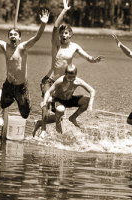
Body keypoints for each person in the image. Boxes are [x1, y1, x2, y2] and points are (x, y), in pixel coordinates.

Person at [39, 0, 104, 137]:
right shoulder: (56, 45)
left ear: (70, 35)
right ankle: (43, 129)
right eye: (62, 33)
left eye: (66, 33)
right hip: (50, 81)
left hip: (64, 83)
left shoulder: (75, 46)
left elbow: (88, 58)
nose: (63, 35)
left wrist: (94, 60)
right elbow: (56, 26)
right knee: (46, 103)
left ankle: (67, 118)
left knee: (60, 111)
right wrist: (64, 10)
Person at [0, 9, 50, 121]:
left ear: (19, 38)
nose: (13, 36)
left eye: (15, 34)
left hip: (21, 87)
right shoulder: (5, 46)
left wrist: (43, 24)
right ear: (8, 38)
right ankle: (4, 97)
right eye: (10, 34)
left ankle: (16, 98)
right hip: (9, 84)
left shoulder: (22, 48)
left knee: (25, 114)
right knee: (2, 104)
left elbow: (36, 38)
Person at [32, 64, 95, 137]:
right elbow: (49, 92)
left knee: (87, 100)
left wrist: (90, 106)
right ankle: (57, 132)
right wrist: (45, 102)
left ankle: (73, 118)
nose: (71, 79)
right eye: (69, 77)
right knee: (61, 111)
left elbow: (92, 91)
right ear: (65, 75)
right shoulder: (61, 80)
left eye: (73, 77)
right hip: (58, 100)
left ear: (76, 74)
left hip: (69, 99)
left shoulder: (77, 81)